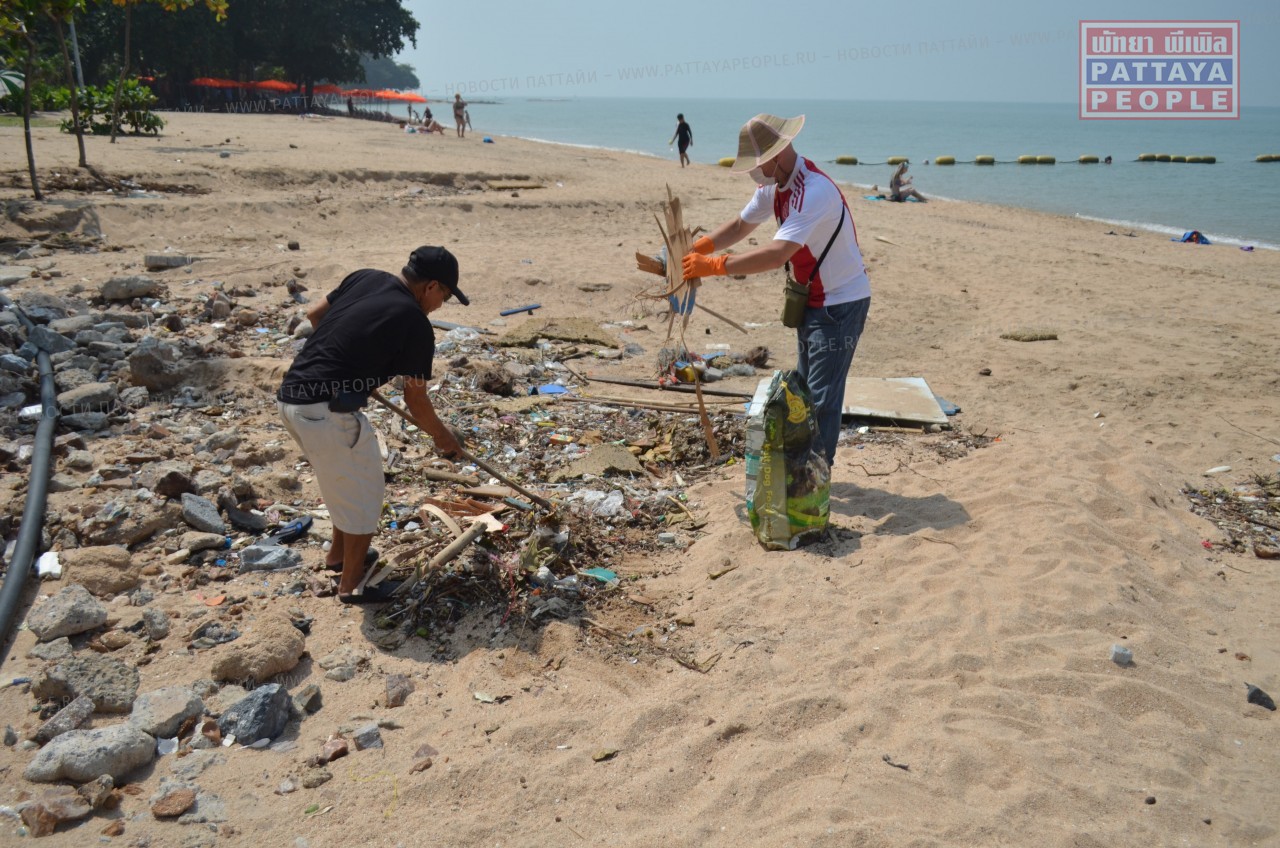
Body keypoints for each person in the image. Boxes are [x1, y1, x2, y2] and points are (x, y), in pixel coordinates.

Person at [277, 246, 468, 603]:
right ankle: (352, 585)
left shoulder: (365, 277)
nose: (440, 304)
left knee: (343, 480)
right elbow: (416, 399)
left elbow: (315, 314)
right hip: (324, 412)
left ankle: (338, 556)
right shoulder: (415, 323)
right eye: (444, 295)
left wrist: (349, 361)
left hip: (291, 399)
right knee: (365, 493)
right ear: (430, 286)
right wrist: (445, 439)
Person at [681, 114, 870, 467]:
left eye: (758, 164)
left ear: (777, 155)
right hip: (812, 301)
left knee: (820, 398)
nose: (755, 171)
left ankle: (815, 478)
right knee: (803, 389)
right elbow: (741, 224)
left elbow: (777, 253)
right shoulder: (775, 186)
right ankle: (806, 472)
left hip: (842, 304)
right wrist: (702, 247)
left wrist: (718, 266)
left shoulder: (813, 191)